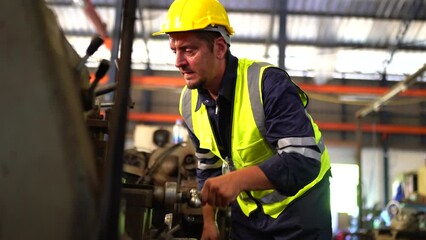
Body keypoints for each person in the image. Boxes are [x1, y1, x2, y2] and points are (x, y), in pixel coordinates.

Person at [153, 0, 332, 239]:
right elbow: (208, 167)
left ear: (219, 48)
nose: (178, 62)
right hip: (249, 212)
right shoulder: (188, 102)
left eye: (189, 50)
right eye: (175, 50)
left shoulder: (267, 84)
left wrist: (237, 180)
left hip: (301, 208)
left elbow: (303, 160)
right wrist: (209, 221)